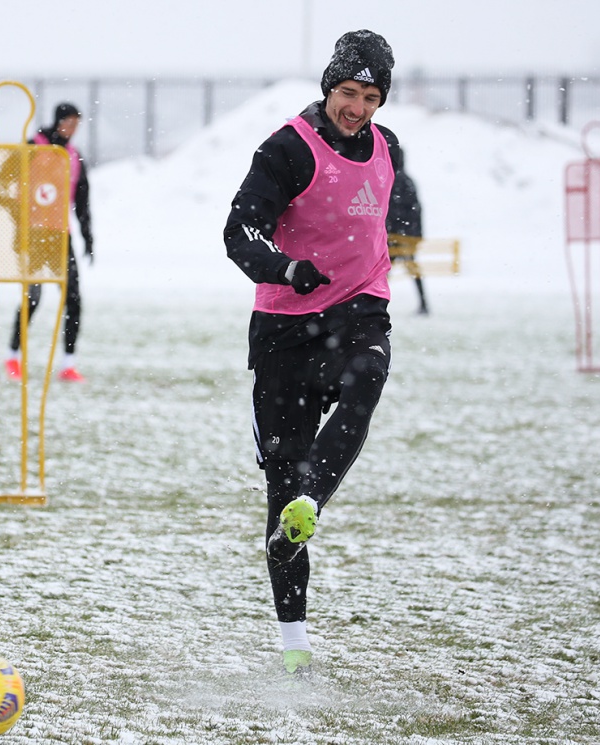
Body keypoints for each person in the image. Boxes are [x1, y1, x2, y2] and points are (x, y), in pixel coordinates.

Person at [223, 29, 399, 679]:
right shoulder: (286, 150)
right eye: (348, 93)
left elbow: (380, 205)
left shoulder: (387, 148)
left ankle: (313, 505)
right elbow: (239, 231)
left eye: (371, 96)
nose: (357, 107)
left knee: (368, 378)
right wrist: (284, 266)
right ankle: (294, 637)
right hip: (285, 333)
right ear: (329, 88)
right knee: (282, 483)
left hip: (357, 312)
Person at [5, 102, 94, 383]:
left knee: (74, 299)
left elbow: (82, 203)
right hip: (31, 235)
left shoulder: (74, 157)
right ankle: (13, 357)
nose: (71, 129)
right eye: (68, 122)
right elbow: (1, 182)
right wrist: (18, 211)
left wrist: (88, 236)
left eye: (76, 125)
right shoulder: (33, 147)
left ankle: (68, 364)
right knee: (33, 298)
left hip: (60, 235)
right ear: (58, 121)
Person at [386, 148, 429, 315]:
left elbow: (390, 210)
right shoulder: (408, 181)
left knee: (384, 271)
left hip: (395, 235)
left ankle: (375, 302)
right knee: (411, 268)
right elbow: (416, 210)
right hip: (407, 235)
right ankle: (424, 303)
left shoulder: (390, 180)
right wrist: (416, 234)